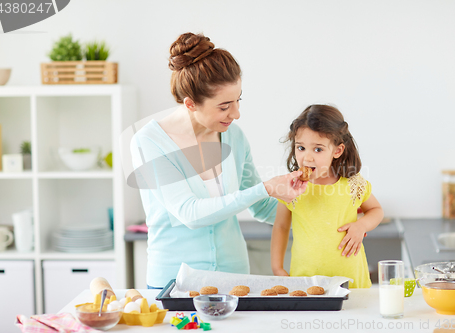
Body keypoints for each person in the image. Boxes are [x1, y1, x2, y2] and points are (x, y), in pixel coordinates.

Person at [130, 32, 307, 289]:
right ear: (190, 104)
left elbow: (261, 207)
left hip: (234, 281)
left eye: (238, 100)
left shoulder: (233, 136)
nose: (236, 113)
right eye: (224, 106)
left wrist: (328, 212)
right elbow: (189, 213)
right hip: (175, 285)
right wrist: (266, 187)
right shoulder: (149, 143)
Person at [270, 104, 384, 288]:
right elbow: (281, 226)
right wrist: (277, 267)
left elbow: (376, 210)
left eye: (318, 149)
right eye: (301, 148)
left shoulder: (353, 183)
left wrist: (361, 225)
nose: (307, 157)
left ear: (337, 151)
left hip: (351, 282)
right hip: (306, 283)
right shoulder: (290, 187)